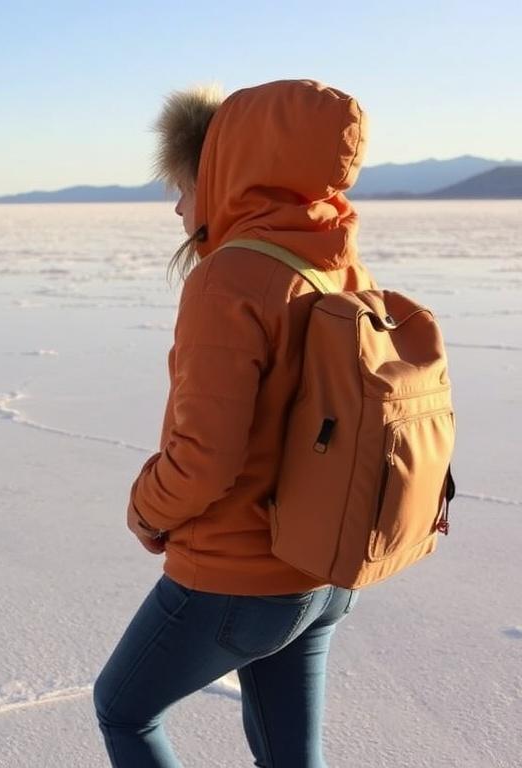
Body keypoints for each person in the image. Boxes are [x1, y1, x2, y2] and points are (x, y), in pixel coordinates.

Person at [93, 79, 378, 768]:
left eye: (184, 184)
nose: (178, 206)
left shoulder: (230, 279)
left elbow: (205, 460)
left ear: (224, 172)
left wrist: (144, 509)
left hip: (236, 576)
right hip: (323, 572)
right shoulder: (335, 261)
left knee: (123, 709)